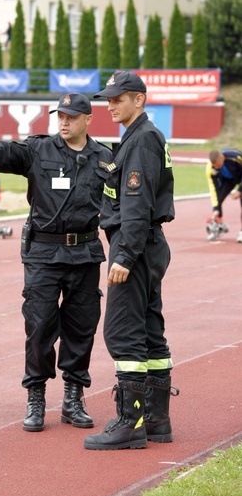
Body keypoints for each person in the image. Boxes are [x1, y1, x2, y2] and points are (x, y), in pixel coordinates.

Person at [0, 93, 111, 432]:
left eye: (72, 116)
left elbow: (116, 209)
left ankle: (73, 398)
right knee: (39, 326)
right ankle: (36, 397)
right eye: (61, 116)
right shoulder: (39, 149)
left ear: (88, 119)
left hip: (85, 253)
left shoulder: (105, 158)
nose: (65, 121)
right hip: (43, 253)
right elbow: (8, 153)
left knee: (81, 327)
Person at [83, 70, 179, 451]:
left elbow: (137, 205)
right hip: (148, 244)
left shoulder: (141, 139)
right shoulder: (141, 136)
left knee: (122, 333)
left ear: (138, 99)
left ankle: (130, 422)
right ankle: (156, 419)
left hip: (135, 243)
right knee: (149, 330)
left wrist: (123, 255)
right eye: (107, 99)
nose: (110, 105)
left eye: (117, 98)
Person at [205, 148, 242, 243]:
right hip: (229, 180)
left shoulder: (236, 158)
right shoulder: (210, 168)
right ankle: (218, 225)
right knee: (219, 198)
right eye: (215, 166)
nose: (216, 168)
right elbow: (214, 189)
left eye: (218, 165)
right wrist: (216, 209)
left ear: (222, 158)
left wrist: (239, 190)